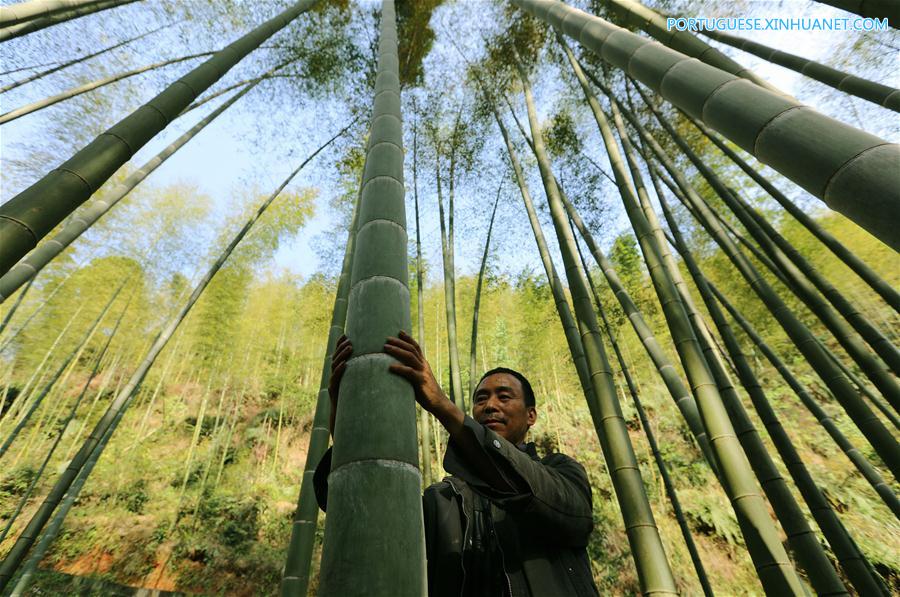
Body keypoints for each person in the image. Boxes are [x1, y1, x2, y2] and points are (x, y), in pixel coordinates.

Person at [314, 330, 599, 597]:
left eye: (504, 396)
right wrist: (347, 417)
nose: (490, 405)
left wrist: (442, 405)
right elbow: (369, 517)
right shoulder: (443, 499)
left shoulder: (561, 471)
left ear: (531, 415)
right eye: (481, 399)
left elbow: (563, 510)